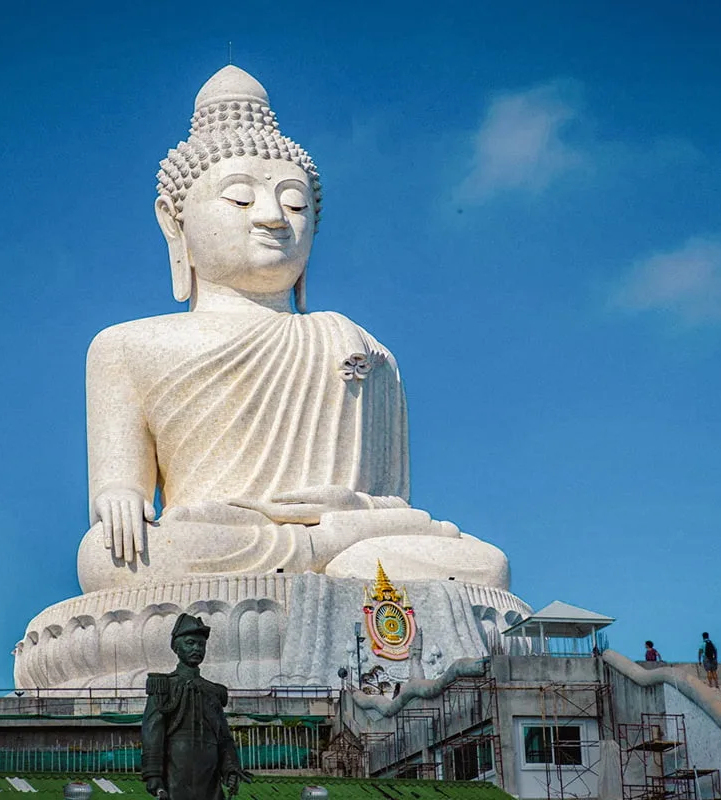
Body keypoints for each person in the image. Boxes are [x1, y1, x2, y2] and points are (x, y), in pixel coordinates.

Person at [76, 65, 510, 594]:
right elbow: (121, 487)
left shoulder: (359, 345)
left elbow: (396, 505)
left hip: (350, 536)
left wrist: (352, 508)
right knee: (106, 557)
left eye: (295, 203)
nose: (273, 217)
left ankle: (327, 560)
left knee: (487, 564)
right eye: (240, 198)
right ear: (174, 221)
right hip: (222, 536)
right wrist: (119, 497)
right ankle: (326, 563)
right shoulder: (125, 346)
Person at [141, 614, 252, 800]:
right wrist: (153, 774)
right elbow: (153, 731)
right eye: (190, 643)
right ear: (176, 647)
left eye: (201, 645)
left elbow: (223, 736)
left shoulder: (212, 691)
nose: (197, 649)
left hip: (209, 773)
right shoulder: (164, 685)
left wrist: (230, 768)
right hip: (176, 769)